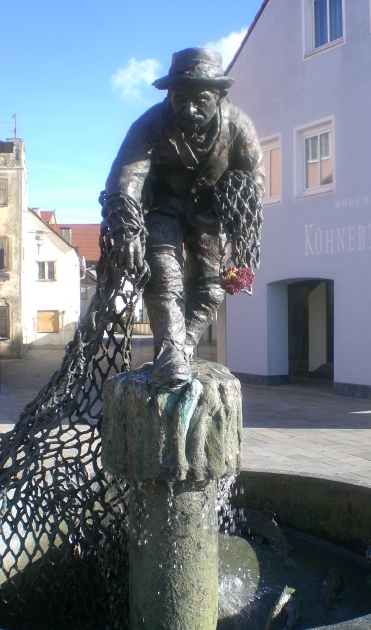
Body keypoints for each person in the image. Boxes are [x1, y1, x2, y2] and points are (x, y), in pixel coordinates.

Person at [101, 48, 264, 388]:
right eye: (179, 98)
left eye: (200, 99)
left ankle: (183, 342)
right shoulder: (149, 125)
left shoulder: (238, 126)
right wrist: (128, 230)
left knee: (211, 286)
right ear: (169, 95)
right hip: (164, 209)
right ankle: (171, 354)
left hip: (209, 214)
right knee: (163, 271)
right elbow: (125, 178)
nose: (189, 109)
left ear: (219, 95)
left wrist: (235, 206)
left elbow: (255, 177)